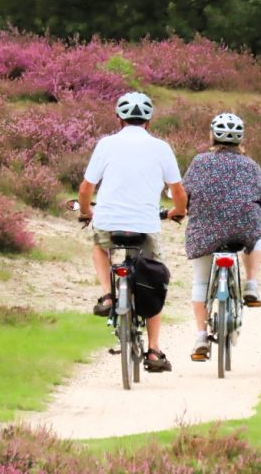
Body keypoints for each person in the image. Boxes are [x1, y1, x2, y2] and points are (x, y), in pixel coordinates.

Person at [77, 91, 188, 373]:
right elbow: (178, 192)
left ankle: (107, 294)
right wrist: (178, 212)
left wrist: (87, 213)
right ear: (149, 121)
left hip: (108, 221)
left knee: (99, 247)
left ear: (119, 119)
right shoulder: (162, 148)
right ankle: (153, 350)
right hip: (146, 225)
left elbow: (86, 189)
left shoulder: (106, 144)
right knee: (152, 276)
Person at [182, 112, 261, 361]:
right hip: (242, 230)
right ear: (241, 139)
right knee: (255, 233)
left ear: (212, 136)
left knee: (201, 282)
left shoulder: (199, 162)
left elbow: (183, 196)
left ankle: (201, 335)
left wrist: (179, 210)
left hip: (204, 233)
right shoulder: (250, 166)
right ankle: (252, 284)